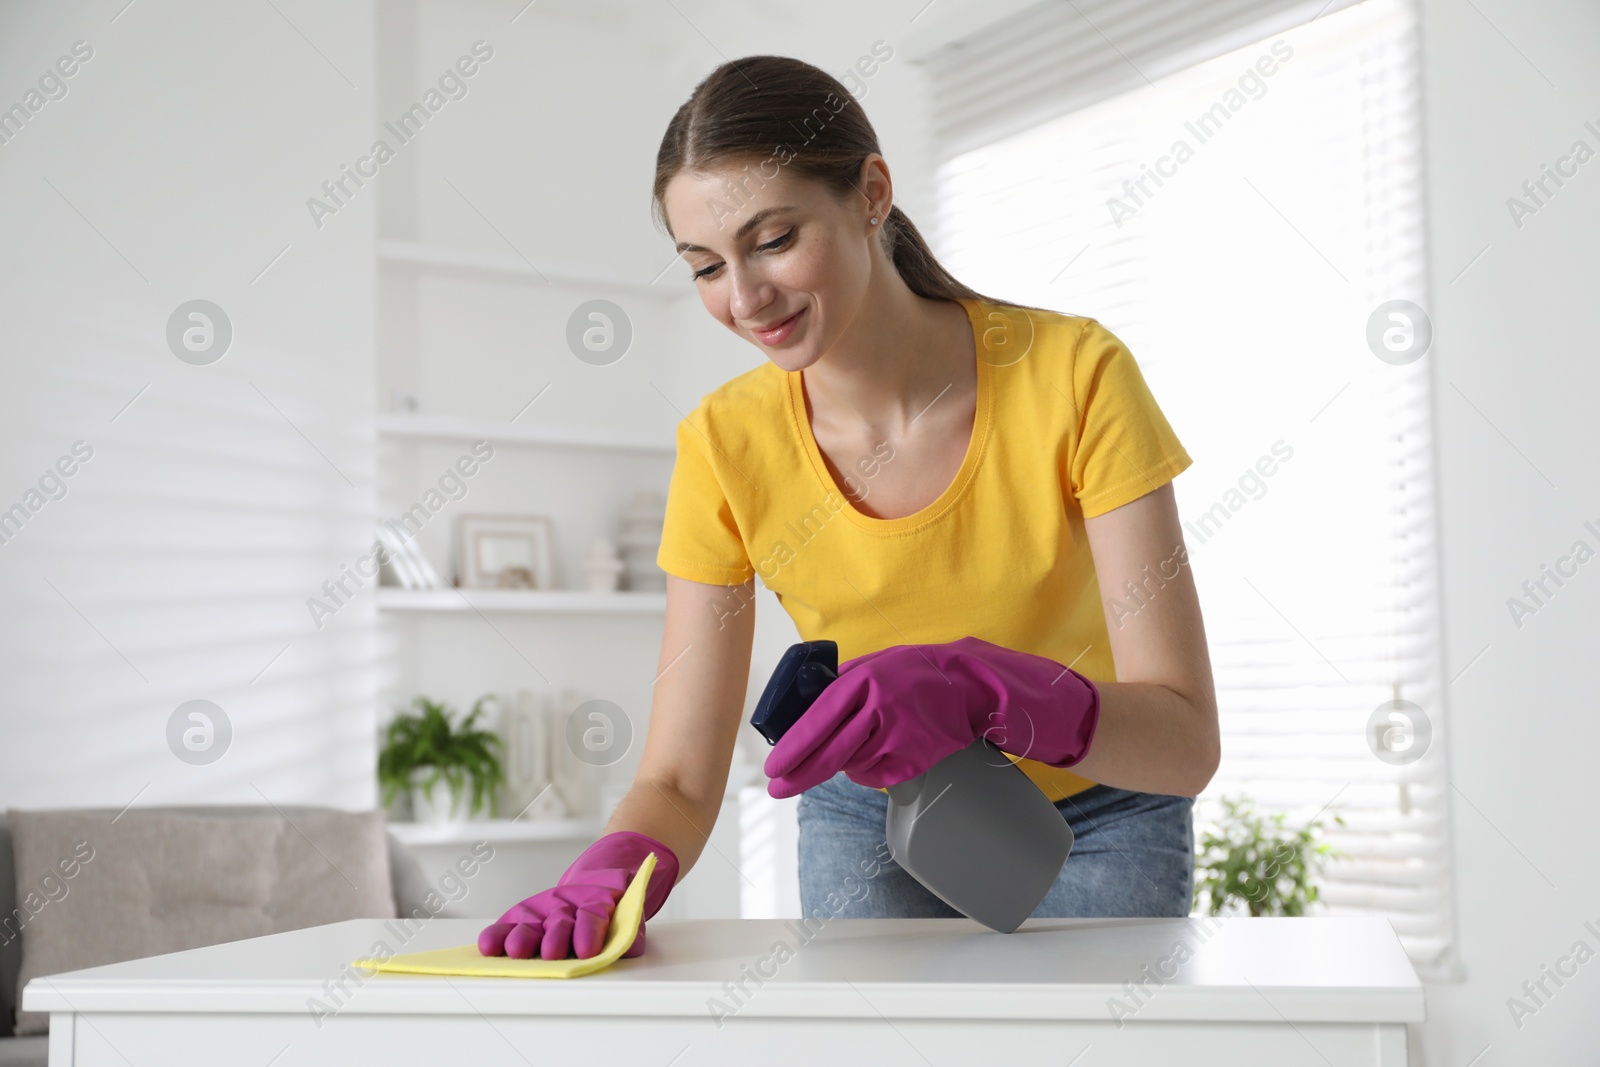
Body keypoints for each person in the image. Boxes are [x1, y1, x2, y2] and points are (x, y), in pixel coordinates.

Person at [478, 54, 1218, 962]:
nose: (745, 299)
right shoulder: (724, 445)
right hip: (872, 810)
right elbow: (677, 775)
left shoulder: (1077, 376)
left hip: (1098, 808)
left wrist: (981, 692)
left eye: (775, 239)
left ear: (871, 193)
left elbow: (1185, 740)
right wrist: (612, 868)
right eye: (706, 265)